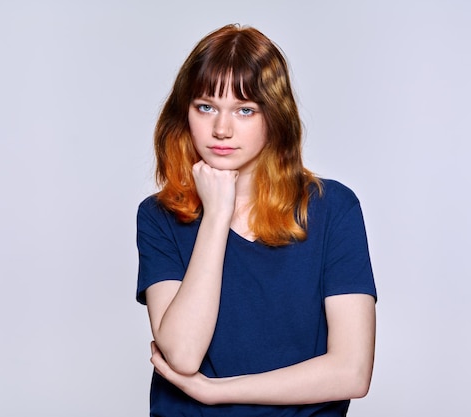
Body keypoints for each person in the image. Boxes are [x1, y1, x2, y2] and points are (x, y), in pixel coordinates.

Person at [136, 23, 377, 416]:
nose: (221, 129)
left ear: (274, 116)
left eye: (245, 109)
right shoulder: (159, 216)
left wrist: (217, 391)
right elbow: (181, 354)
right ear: (185, 112)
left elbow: (352, 371)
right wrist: (216, 215)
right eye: (206, 107)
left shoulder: (332, 208)